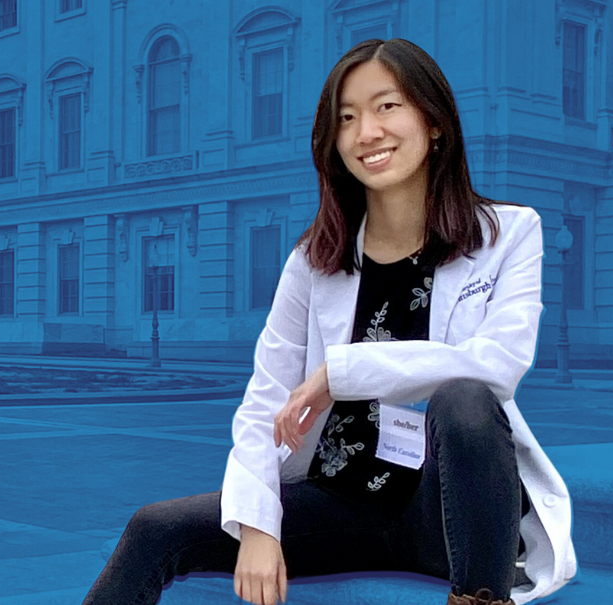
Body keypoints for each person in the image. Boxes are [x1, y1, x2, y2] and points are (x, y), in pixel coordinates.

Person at [82, 38, 576, 605]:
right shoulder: (315, 260)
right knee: (154, 528)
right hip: (340, 502)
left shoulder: (508, 234)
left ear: (434, 121)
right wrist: (261, 526)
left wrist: (337, 373)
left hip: (446, 512)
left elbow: (499, 365)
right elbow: (265, 401)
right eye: (347, 117)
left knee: (463, 397)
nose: (366, 132)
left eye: (387, 106)